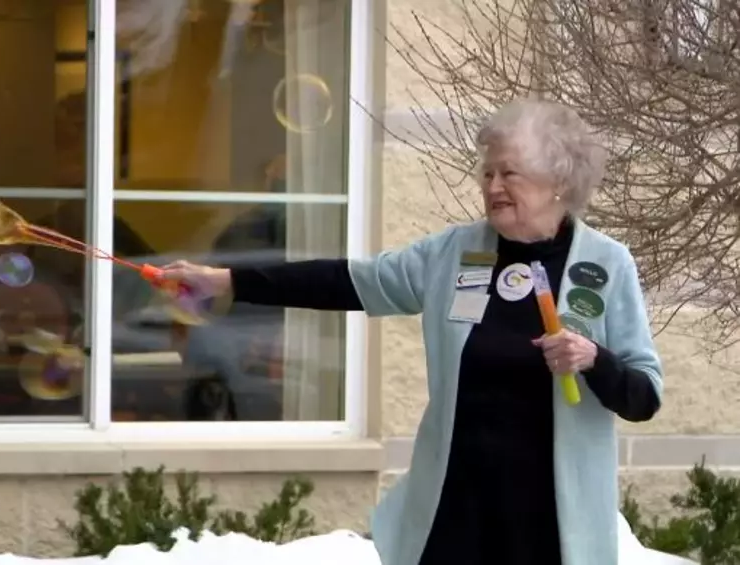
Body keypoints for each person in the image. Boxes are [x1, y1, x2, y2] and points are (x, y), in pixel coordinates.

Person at [160, 98, 663, 565]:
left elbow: (643, 396)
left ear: (558, 180)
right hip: (455, 515)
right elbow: (348, 281)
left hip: (550, 527)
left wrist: (593, 358)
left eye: (509, 172)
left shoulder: (605, 264)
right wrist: (228, 282)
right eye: (487, 172)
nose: (492, 187)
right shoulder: (455, 253)